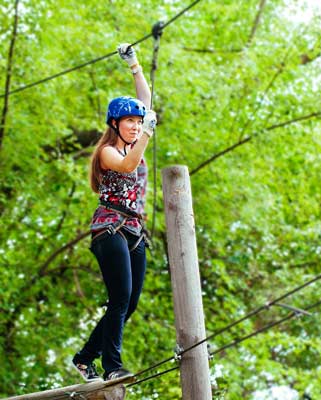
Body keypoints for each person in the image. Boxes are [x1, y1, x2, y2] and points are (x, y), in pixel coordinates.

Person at [72, 43, 156, 382]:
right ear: (115, 124)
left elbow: (146, 102)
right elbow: (128, 164)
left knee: (130, 303)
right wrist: (148, 131)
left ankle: (84, 358)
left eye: (139, 122)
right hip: (110, 228)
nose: (136, 126)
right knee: (119, 297)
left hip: (135, 230)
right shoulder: (107, 152)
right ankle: (112, 368)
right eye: (131, 122)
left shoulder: (135, 137)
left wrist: (134, 65)